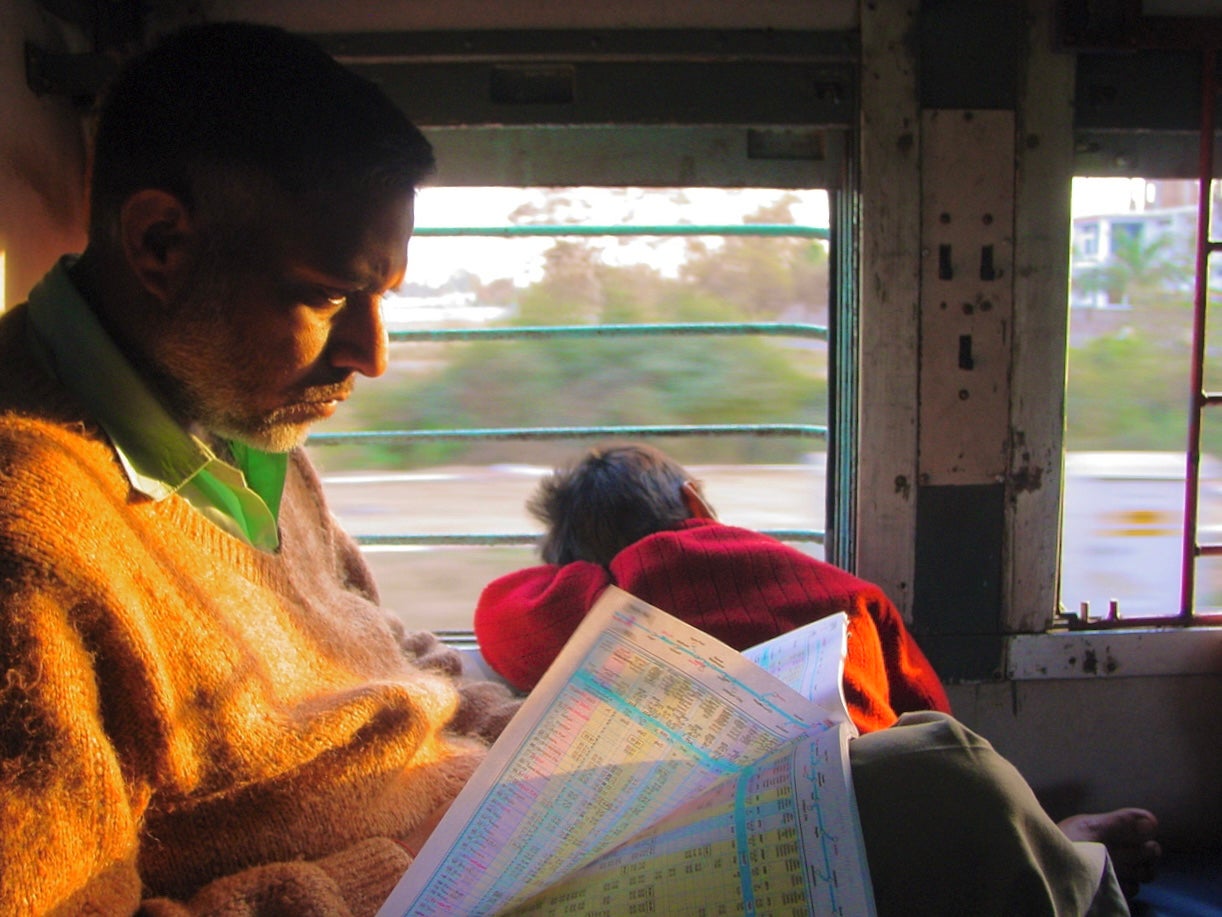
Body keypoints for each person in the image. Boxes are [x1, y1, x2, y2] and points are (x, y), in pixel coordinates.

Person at [0, 20, 1142, 916]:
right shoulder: (31, 531)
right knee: (944, 806)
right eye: (325, 296)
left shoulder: (246, 429)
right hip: (435, 893)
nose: (371, 356)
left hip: (507, 837)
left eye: (382, 299)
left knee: (917, 754)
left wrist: (612, 752)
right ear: (159, 244)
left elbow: (403, 668)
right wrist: (407, 875)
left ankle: (1058, 875)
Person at [474, 442, 951, 733]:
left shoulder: (597, 612)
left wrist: (584, 565)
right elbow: (933, 718)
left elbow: (497, 613)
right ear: (693, 501)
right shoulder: (837, 591)